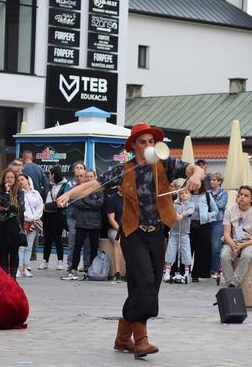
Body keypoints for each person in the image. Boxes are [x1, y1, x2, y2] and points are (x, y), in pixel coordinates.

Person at [56, 122, 205, 358]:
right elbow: (92, 186)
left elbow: (194, 169)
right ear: (134, 145)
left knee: (149, 287)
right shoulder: (124, 169)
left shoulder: (164, 164)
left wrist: (196, 175)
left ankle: (123, 336)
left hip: (157, 234)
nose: (148, 145)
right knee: (144, 282)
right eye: (143, 142)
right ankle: (141, 341)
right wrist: (68, 193)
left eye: (151, 142)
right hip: (132, 234)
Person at [62, 170, 104, 280]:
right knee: (77, 247)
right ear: (84, 178)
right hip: (81, 223)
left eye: (91, 176)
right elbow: (76, 202)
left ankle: (91, 270)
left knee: (93, 248)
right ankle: (73, 270)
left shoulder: (100, 190)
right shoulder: (79, 189)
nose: (89, 178)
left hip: (95, 223)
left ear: (95, 177)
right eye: (87, 177)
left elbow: (98, 205)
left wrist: (85, 200)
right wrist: (90, 203)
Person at [220, 185, 252, 288]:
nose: (242, 197)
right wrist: (233, 245)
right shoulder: (229, 211)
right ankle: (230, 283)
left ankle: (233, 284)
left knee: (246, 255)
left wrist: (242, 245)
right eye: (240, 195)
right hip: (233, 241)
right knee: (224, 255)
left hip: (251, 242)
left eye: (246, 195)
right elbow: (226, 234)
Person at [0, 168, 25, 280]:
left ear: (15, 179)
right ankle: (4, 275)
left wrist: (6, 208)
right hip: (2, 225)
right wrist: (7, 193)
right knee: (3, 251)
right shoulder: (0, 191)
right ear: (4, 179)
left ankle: (13, 276)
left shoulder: (20, 191)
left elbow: (20, 208)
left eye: (12, 177)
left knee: (14, 251)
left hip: (15, 226)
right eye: (7, 177)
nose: (9, 179)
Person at [40, 166, 70, 270]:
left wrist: (46, 206)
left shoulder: (65, 185)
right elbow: (44, 197)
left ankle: (60, 261)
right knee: (47, 238)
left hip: (58, 215)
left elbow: (61, 202)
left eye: (50, 173)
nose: (48, 176)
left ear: (54, 174)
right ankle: (45, 261)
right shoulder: (49, 185)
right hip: (47, 215)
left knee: (57, 238)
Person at [164, 188, 195, 283]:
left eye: (186, 193)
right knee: (170, 252)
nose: (184, 195)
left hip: (184, 233)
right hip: (174, 232)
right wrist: (175, 215)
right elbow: (170, 212)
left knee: (186, 252)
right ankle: (167, 273)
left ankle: (186, 273)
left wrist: (182, 215)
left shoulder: (191, 204)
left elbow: (190, 211)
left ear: (189, 194)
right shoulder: (175, 204)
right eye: (181, 193)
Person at [188, 184, 218, 282]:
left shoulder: (206, 195)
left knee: (201, 250)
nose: (195, 185)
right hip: (188, 225)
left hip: (203, 225)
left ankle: (196, 274)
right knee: (188, 248)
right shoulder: (186, 194)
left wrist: (207, 216)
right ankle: (182, 272)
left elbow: (215, 210)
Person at [16, 174, 43, 278]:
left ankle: (26, 268)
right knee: (21, 246)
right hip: (22, 222)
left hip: (33, 223)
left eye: (22, 179)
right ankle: (19, 268)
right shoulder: (18, 193)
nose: (20, 181)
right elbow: (19, 208)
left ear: (27, 180)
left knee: (29, 246)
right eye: (18, 180)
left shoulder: (35, 193)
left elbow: (40, 206)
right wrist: (27, 218)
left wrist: (34, 217)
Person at [209, 172, 228, 279]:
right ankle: (208, 268)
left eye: (214, 180)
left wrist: (210, 204)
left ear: (220, 182)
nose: (212, 181)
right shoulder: (207, 192)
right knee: (208, 246)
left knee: (216, 247)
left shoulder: (224, 193)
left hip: (218, 221)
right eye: (211, 180)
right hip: (208, 221)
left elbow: (222, 205)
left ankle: (215, 270)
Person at [106, 187, 124, 283]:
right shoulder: (112, 199)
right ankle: (117, 273)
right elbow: (111, 219)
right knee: (118, 240)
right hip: (115, 229)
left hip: (130, 229)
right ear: (118, 186)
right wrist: (121, 230)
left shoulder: (132, 198)